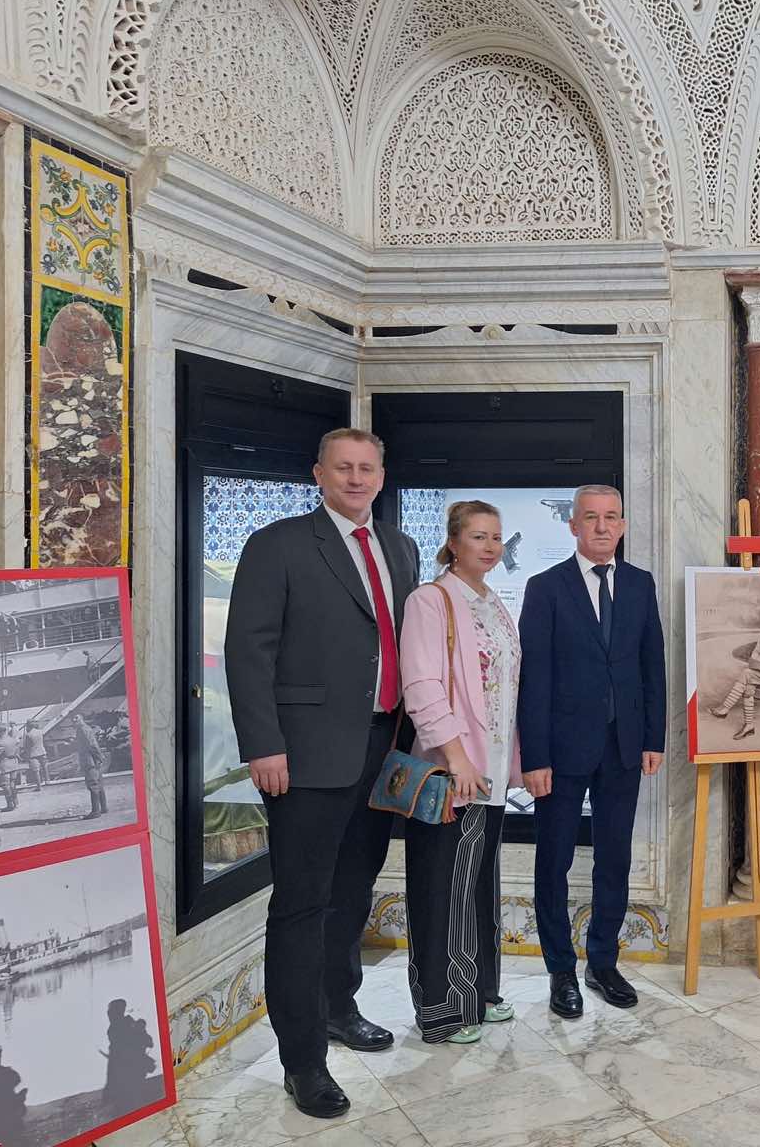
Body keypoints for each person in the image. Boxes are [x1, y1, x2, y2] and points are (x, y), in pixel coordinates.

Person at [224, 427, 418, 1119]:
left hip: (382, 747)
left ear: (382, 476)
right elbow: (247, 650)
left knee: (353, 891)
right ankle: (302, 1062)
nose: (356, 478)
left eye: (367, 468)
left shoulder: (400, 546)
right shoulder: (276, 544)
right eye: (343, 468)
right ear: (319, 474)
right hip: (303, 755)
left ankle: (339, 1006)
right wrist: (263, 745)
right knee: (301, 906)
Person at [516, 484, 666, 1020]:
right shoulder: (545, 587)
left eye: (611, 517)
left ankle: (603, 962)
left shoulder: (641, 584)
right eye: (591, 517)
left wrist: (653, 738)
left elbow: (652, 664)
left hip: (624, 745)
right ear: (573, 525)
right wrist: (534, 756)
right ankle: (560, 969)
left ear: (622, 525)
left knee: (615, 857)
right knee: (553, 859)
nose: (602, 527)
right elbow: (533, 678)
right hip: (560, 749)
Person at [400, 501, 522, 1044]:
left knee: (477, 885)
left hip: (489, 772)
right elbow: (422, 685)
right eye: (478, 537)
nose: (491, 547)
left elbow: (506, 691)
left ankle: (481, 993)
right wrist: (456, 756)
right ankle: (441, 1010)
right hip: (453, 771)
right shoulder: (430, 600)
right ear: (453, 543)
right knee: (441, 889)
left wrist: (508, 762)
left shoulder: (493, 602)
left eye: (496, 537)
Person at [708, 601, 760, 740]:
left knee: (746, 674)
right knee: (748, 683)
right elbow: (756, 651)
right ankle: (749, 726)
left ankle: (725, 709)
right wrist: (754, 662)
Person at [71, 714, 106, 819]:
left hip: (90, 761)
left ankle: (96, 811)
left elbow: (92, 745)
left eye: (76, 718)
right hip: (92, 760)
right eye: (73, 719)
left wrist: (99, 756)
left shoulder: (83, 729)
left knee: (93, 784)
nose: (74, 720)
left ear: (82, 719)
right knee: (98, 783)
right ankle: (103, 808)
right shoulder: (83, 729)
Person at [24, 719, 46, 791]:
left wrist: (26, 755)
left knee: (36, 771)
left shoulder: (28, 734)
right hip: (42, 751)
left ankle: (39, 786)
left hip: (33, 754)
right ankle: (47, 781)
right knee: (44, 767)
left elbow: (27, 746)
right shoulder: (40, 732)